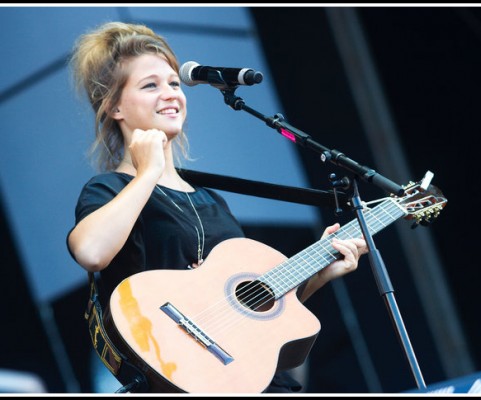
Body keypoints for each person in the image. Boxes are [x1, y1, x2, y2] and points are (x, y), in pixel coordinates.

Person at [66, 21, 368, 394]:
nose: (171, 94)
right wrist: (148, 173)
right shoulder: (110, 189)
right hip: (174, 379)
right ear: (114, 107)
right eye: (150, 85)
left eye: (174, 83)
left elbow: (248, 317)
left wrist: (319, 273)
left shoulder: (211, 199)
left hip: (249, 381)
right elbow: (91, 252)